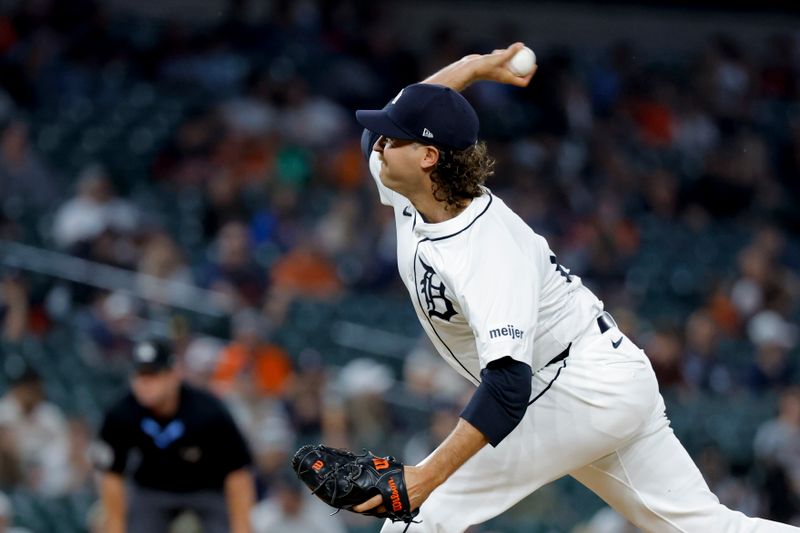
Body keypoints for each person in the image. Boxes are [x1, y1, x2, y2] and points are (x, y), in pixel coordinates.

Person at [350, 43, 799, 532]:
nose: (378, 144)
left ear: (429, 157)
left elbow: (506, 389)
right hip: (599, 376)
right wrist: (474, 68)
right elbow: (400, 115)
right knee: (705, 527)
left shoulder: (488, 249)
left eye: (394, 140)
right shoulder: (408, 181)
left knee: (418, 513)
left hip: (577, 386)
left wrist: (423, 477)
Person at [93, 338, 255, 533]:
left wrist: (242, 528)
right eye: (139, 375)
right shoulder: (121, 413)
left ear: (173, 375)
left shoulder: (207, 411)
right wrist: (115, 528)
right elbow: (112, 474)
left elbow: (238, 473)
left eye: (153, 375)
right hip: (151, 490)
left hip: (207, 488)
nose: (144, 383)